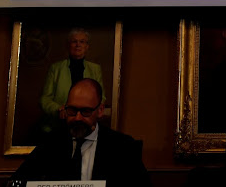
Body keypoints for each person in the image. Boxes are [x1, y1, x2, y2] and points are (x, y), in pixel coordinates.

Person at [11, 79, 151, 187]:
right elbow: (15, 182)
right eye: (72, 110)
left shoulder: (123, 147)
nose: (77, 118)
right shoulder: (49, 144)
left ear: (100, 110)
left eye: (85, 111)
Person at [39, 28, 105, 133]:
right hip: (59, 124)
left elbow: (101, 97)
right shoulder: (56, 68)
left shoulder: (95, 69)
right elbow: (45, 99)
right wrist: (58, 109)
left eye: (82, 42)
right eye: (74, 41)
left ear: (87, 46)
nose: (78, 45)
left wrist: (88, 112)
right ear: (68, 45)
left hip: (86, 124)